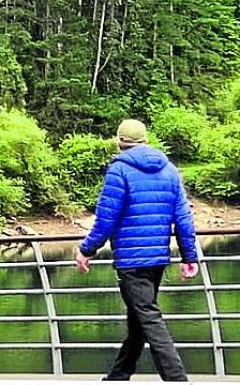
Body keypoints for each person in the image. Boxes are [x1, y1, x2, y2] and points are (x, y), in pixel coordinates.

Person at [76, 119, 199, 382]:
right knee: (139, 317)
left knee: (148, 318)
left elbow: (106, 218)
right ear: (145, 140)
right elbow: (184, 217)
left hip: (131, 261)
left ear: (119, 141)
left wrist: (87, 250)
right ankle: (119, 375)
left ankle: (177, 378)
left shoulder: (119, 171)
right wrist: (189, 256)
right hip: (157, 259)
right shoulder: (169, 170)